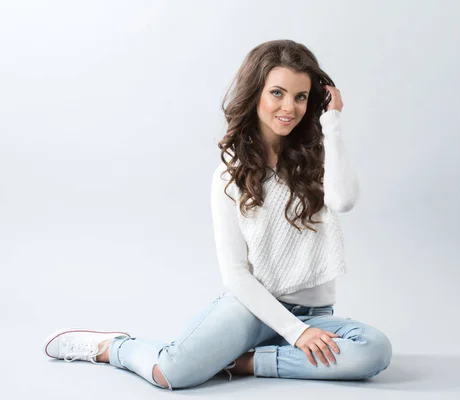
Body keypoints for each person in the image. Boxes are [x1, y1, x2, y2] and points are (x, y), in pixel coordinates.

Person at [42, 39, 392, 390]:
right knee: (171, 373)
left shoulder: (320, 159)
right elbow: (236, 275)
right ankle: (113, 347)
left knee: (373, 352)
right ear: (256, 94)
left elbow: (343, 200)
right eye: (277, 93)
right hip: (252, 310)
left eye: (301, 97)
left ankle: (244, 362)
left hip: (315, 315)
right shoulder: (230, 177)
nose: (290, 107)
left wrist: (332, 121)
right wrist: (295, 335)